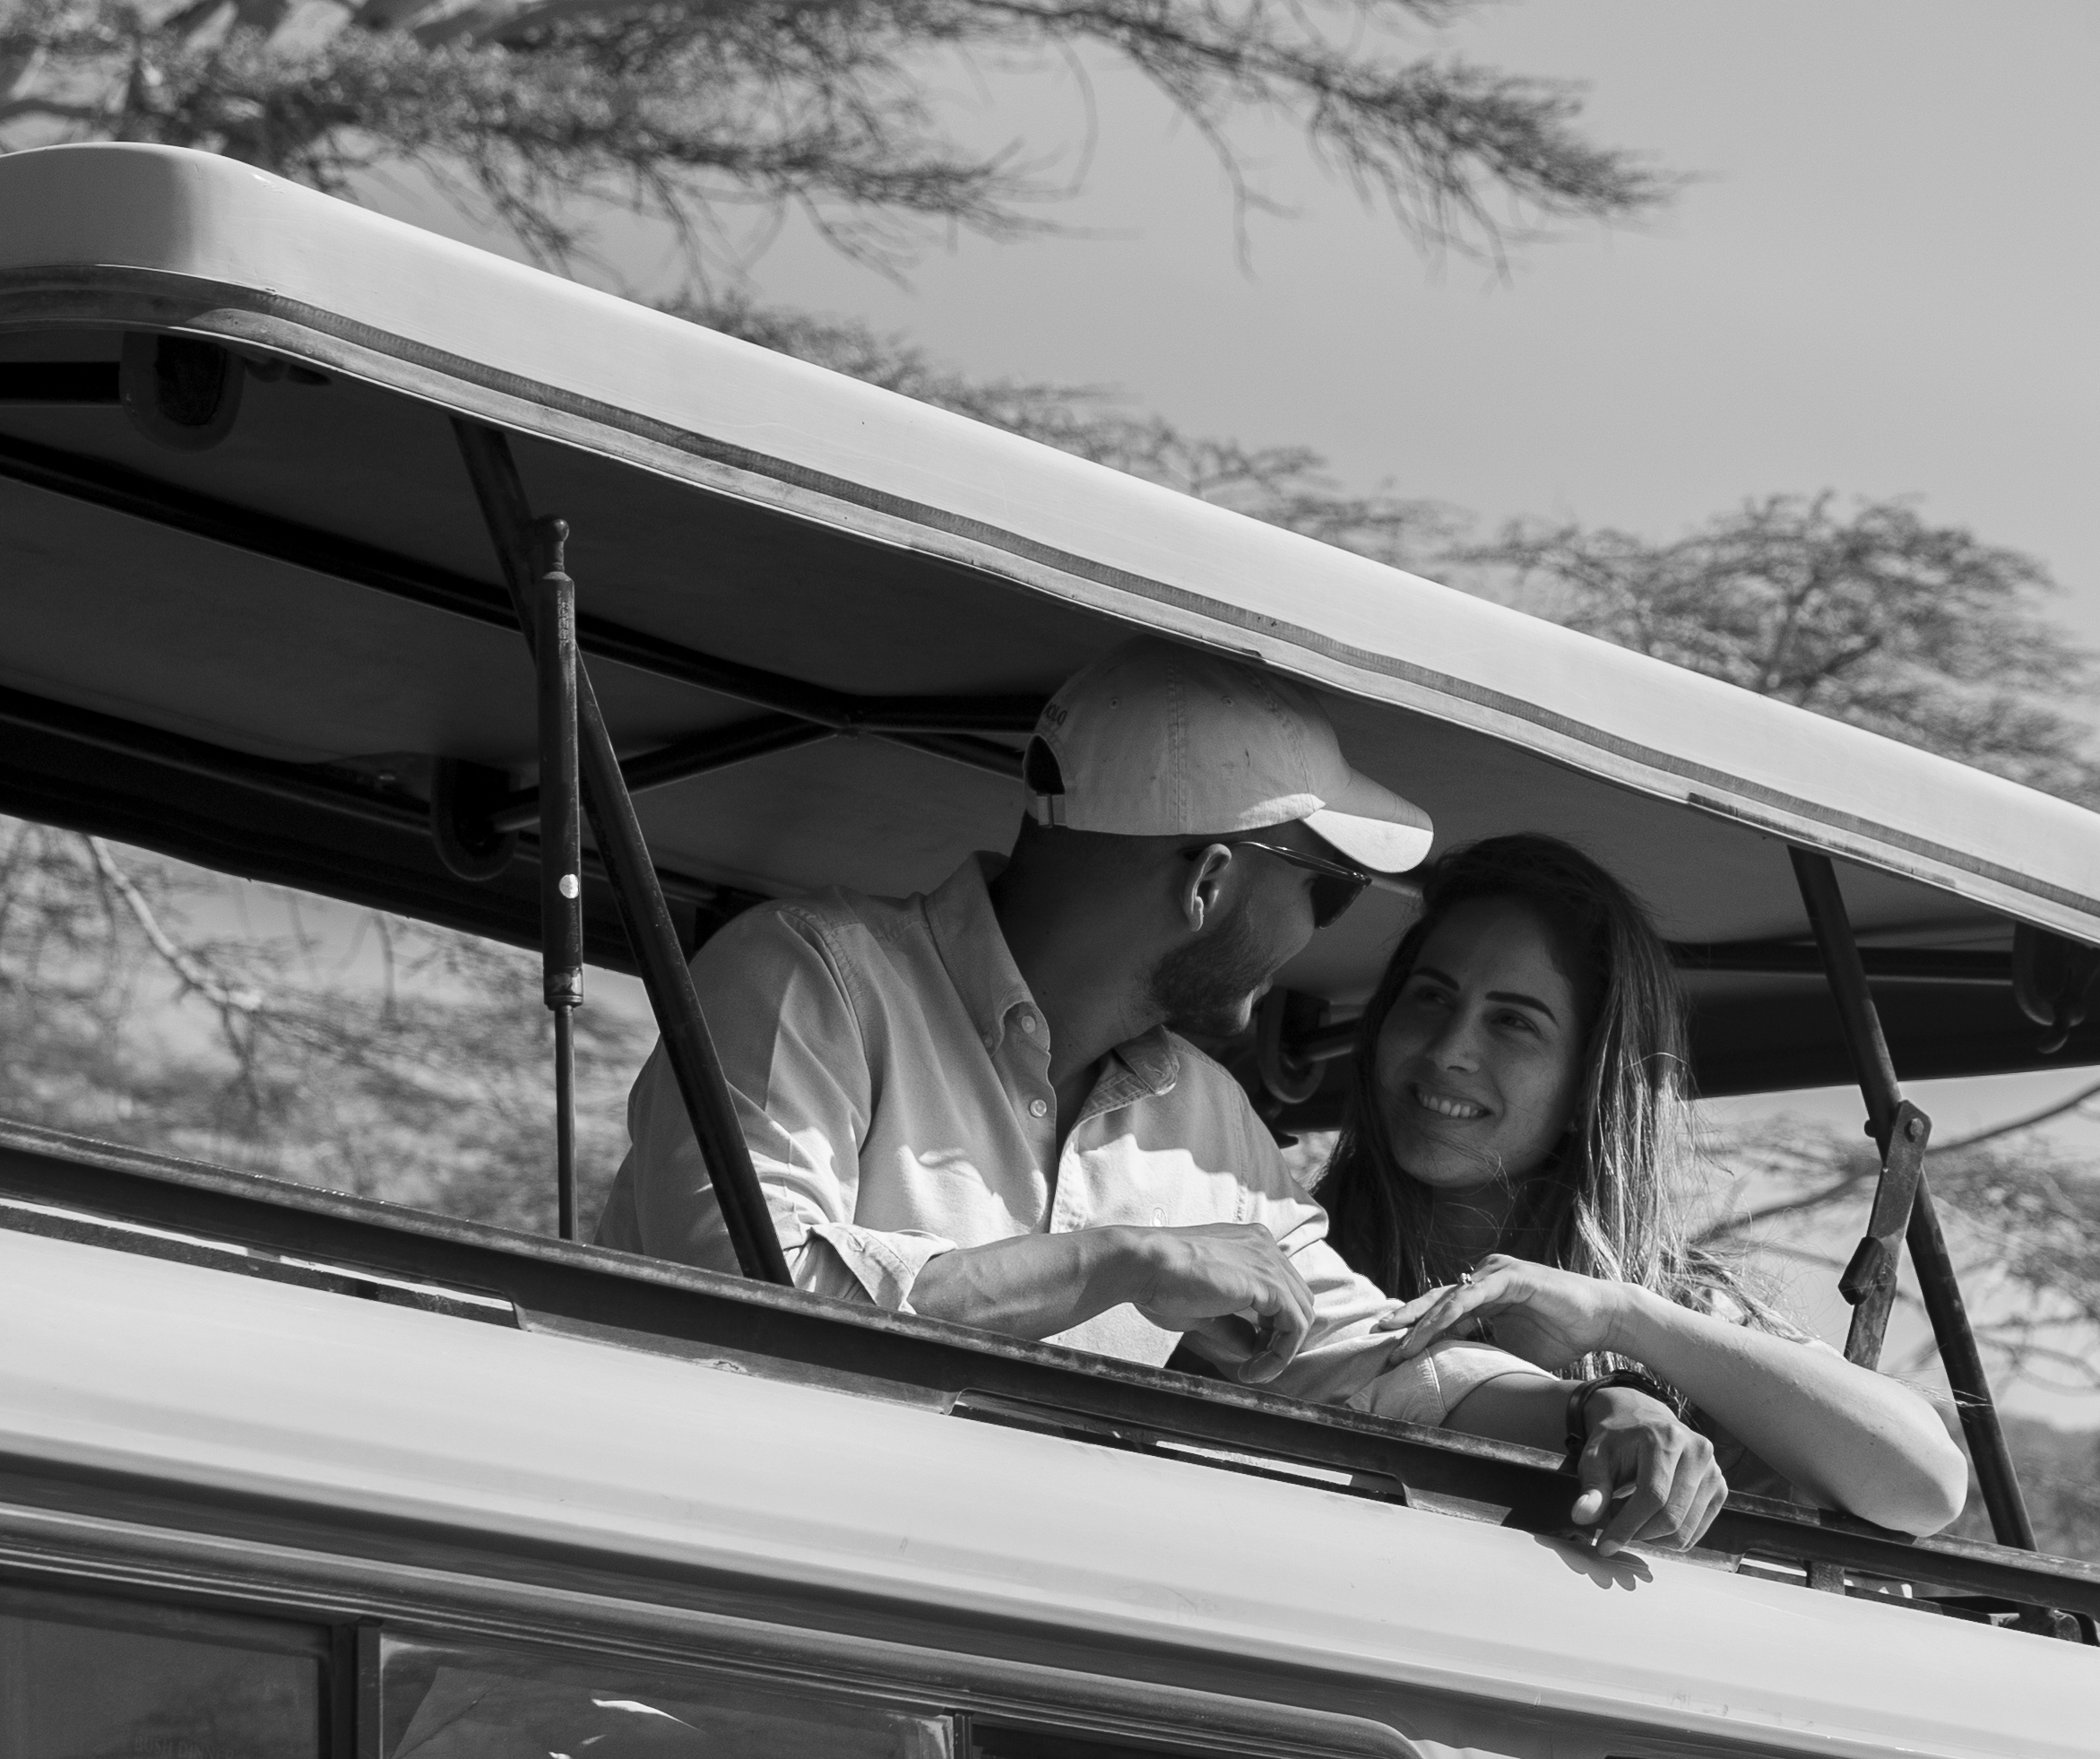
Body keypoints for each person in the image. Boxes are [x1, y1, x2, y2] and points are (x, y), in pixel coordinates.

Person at [601, 637, 1724, 1547]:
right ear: (1211, 882)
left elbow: (1367, 1357)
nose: (1320, 940)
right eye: (1326, 895)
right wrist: (1119, 1262)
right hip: (650, 1692)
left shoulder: (1212, 1124)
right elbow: (744, 1300)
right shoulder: (809, 977)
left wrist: (1588, 1413)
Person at [1326, 835, 1975, 1538]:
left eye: (1512, 1021)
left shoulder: (1675, 1305)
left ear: (1587, 1084)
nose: (1449, 1050)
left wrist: (1621, 1317)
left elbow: (1927, 1485)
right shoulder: (1292, 1242)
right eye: (1429, 997)